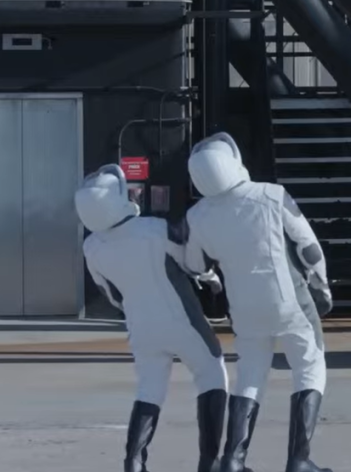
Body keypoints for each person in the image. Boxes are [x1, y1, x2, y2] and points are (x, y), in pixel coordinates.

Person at [183, 132, 333, 472]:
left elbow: (195, 265)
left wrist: (214, 281)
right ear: (233, 162)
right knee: (309, 368)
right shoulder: (271, 195)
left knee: (250, 376)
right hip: (289, 301)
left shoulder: (198, 215)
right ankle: (299, 459)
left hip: (244, 309)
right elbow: (309, 248)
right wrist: (322, 285)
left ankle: (233, 460)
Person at [74, 164, 229, 472]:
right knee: (212, 374)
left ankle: (133, 462)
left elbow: (112, 296)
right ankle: (210, 462)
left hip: (140, 327)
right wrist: (212, 279)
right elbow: (193, 263)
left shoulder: (92, 247)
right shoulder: (154, 230)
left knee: (149, 390)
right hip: (181, 320)